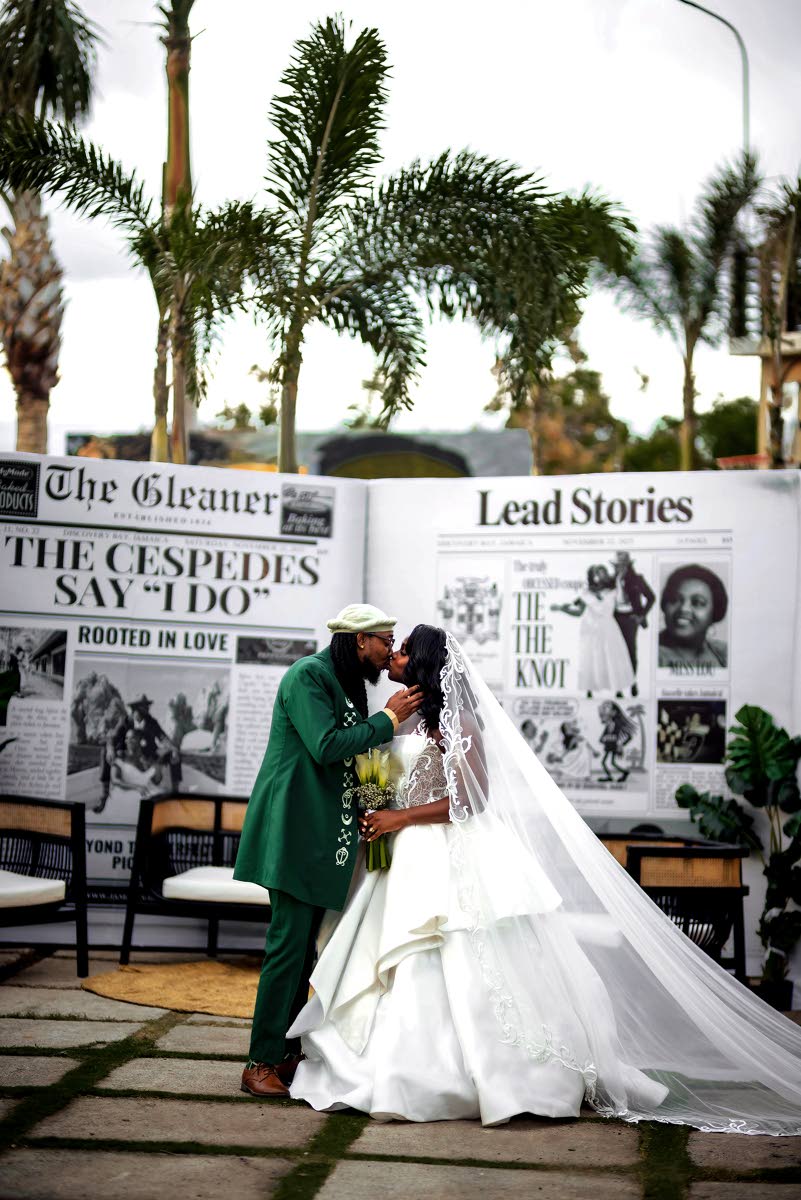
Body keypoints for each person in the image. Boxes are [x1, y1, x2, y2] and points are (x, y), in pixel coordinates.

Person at [288, 624, 801, 1133]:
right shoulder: (398, 717)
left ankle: (485, 1075)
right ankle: (390, 1065)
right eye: (392, 647)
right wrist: (378, 808)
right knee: (389, 959)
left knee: (455, 949)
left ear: (423, 663)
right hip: (401, 856)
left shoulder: (458, 721)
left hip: (448, 850)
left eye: (404, 650)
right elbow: (384, 776)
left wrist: (400, 818)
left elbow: (471, 799)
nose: (394, 656)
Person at [234, 604, 423, 1099]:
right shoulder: (308, 675)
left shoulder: (348, 684)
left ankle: (286, 1053)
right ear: (360, 639)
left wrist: (376, 809)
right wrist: (389, 718)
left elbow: (361, 756)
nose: (388, 652)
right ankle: (258, 1062)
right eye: (385, 641)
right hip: (293, 831)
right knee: (287, 947)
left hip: (324, 837)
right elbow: (325, 745)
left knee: (304, 952)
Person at [551, 565, 635, 698]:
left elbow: (623, 603)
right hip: (590, 628)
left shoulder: (613, 591)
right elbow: (578, 612)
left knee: (612, 657)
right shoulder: (586, 593)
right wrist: (561, 609)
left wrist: (619, 581)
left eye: (603, 572)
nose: (601, 576)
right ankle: (590, 689)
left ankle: (618, 689)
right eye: (598, 573)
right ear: (592, 576)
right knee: (591, 657)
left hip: (608, 627)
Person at [95, 695, 182, 815]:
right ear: (134, 709)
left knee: (175, 753)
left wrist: (173, 749)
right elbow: (112, 738)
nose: (146, 710)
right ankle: (104, 795)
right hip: (129, 752)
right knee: (104, 751)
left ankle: (176, 794)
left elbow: (163, 737)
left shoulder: (151, 721)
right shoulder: (125, 721)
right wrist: (110, 749)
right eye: (142, 708)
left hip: (148, 753)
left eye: (146, 707)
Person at [658, 564, 728, 670]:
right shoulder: (651, 653)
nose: (683, 609)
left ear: (715, 612)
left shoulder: (722, 653)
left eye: (697, 602)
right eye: (674, 599)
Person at [611, 552, 655, 693]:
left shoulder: (636, 579)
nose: (619, 568)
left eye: (622, 565)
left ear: (628, 566)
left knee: (630, 651)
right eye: (617, 565)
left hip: (631, 618)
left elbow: (651, 597)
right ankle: (619, 685)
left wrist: (641, 615)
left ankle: (632, 682)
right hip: (615, 618)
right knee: (617, 652)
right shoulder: (611, 581)